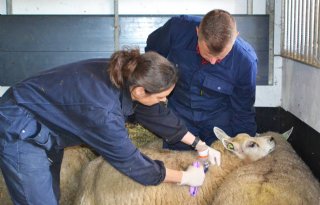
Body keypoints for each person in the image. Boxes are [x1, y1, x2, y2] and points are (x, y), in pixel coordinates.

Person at [0, 49, 220, 205]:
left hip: (48, 126)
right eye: (161, 96)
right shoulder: (103, 112)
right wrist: (185, 178)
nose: (163, 101)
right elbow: (132, 162)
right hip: (22, 128)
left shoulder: (126, 75)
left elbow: (154, 113)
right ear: (140, 92)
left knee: (50, 195)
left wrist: (200, 145)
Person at [145, 9, 258, 149]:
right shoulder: (176, 30)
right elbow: (151, 57)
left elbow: (243, 110)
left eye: (220, 57)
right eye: (208, 53)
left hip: (218, 121)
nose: (212, 61)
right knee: (177, 161)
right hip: (180, 115)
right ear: (197, 31)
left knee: (221, 163)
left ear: (236, 37)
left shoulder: (245, 62)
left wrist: (246, 144)